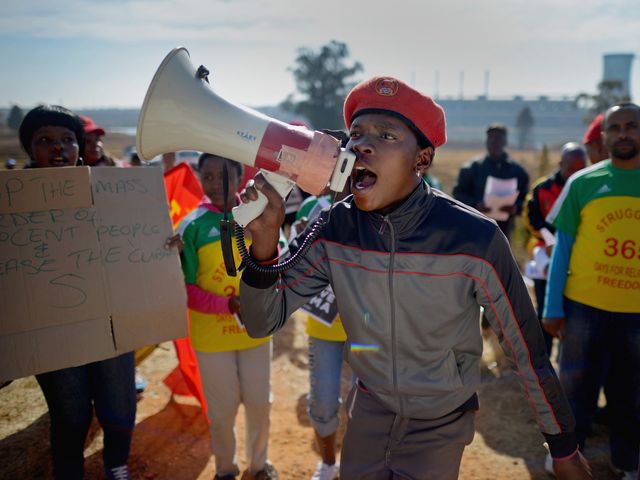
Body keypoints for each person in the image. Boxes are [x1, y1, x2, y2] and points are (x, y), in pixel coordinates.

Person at [237, 77, 591, 479]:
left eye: (385, 135)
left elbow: (526, 351)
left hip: (441, 422)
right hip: (368, 410)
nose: (362, 145)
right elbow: (260, 321)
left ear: (422, 160)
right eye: (356, 135)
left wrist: (563, 448)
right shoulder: (335, 227)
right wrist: (264, 243)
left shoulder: (473, 238)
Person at [18, 104, 136, 480]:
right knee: (71, 416)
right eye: (45, 141)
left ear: (79, 146)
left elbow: (134, 245)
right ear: (29, 149)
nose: (58, 149)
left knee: (118, 405)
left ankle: (117, 465)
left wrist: (160, 250)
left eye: (67, 140)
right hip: (54, 332)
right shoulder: (11, 209)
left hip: (111, 322)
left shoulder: (109, 192)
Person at [543, 103, 640, 479]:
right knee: (574, 390)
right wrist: (552, 308)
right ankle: (565, 458)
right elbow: (562, 251)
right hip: (584, 309)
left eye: (632, 127)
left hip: (635, 314)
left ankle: (628, 463)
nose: (624, 134)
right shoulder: (582, 183)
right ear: (604, 138)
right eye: (615, 128)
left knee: (630, 393)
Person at [177, 152, 279, 480]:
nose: (217, 184)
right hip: (211, 338)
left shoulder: (259, 215)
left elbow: (279, 265)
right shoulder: (190, 226)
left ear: (240, 178)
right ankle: (225, 468)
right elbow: (186, 289)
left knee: (259, 404)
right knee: (221, 411)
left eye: (225, 176)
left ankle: (259, 466)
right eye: (208, 176)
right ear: (198, 178)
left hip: (256, 333)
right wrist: (227, 306)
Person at [523, 142, 587, 357]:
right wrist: (548, 236)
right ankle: (544, 359)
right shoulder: (543, 188)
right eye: (571, 168)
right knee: (545, 310)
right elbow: (531, 218)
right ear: (560, 164)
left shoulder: (587, 187)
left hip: (578, 259)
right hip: (544, 254)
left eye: (580, 168)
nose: (575, 173)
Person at [452, 124, 530, 240]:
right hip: (476, 226)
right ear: (486, 141)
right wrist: (476, 205)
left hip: (504, 229)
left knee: (500, 257)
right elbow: (458, 194)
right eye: (491, 138)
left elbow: (526, 200)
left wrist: (515, 208)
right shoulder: (472, 168)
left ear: (505, 142)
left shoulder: (518, 172)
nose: (494, 142)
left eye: (498, 138)